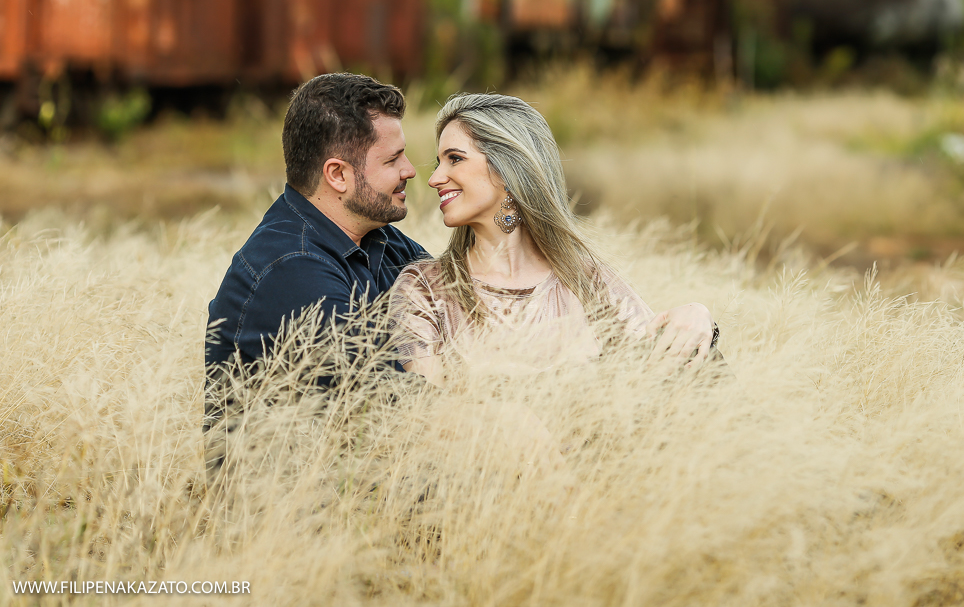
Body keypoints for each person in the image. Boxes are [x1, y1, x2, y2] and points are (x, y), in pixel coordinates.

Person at [388, 93, 721, 387]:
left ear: (507, 170)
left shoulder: (584, 278)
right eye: (438, 161)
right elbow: (429, 414)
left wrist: (695, 314)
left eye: (455, 159)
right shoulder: (423, 289)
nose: (433, 179)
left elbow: (657, 360)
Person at [204, 73, 428, 477]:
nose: (410, 170)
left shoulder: (380, 241)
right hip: (287, 520)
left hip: (357, 485)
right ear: (338, 175)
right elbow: (387, 400)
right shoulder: (290, 268)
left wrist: (500, 211)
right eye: (392, 160)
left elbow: (467, 306)